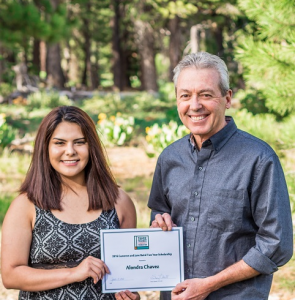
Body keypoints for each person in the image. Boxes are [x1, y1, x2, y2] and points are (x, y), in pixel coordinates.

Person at [148, 52, 293, 300]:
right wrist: (159, 221)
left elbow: (276, 244)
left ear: (227, 98)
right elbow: (159, 212)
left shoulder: (258, 158)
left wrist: (209, 285)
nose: (194, 105)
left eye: (206, 95)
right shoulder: (169, 158)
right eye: (185, 95)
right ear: (176, 100)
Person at [1, 106, 140, 300]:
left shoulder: (118, 202)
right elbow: (10, 275)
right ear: (46, 148)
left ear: (91, 146)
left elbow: (128, 273)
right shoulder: (26, 205)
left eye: (79, 142)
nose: (70, 151)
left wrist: (131, 295)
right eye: (59, 143)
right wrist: (73, 273)